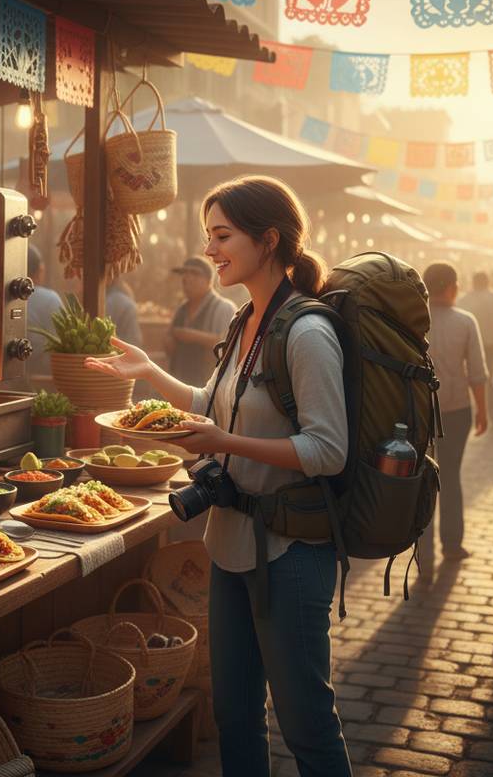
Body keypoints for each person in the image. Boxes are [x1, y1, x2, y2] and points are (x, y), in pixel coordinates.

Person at [86, 176, 352, 776]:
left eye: (222, 235)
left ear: (270, 239)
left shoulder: (307, 332)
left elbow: (328, 449)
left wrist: (225, 442)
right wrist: (149, 369)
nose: (210, 250)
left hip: (290, 552)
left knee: (307, 725)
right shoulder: (244, 320)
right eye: (210, 235)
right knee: (234, 715)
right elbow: (208, 404)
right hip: (229, 546)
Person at [416, 263, 488, 571]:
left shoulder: (414, 321)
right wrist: (483, 410)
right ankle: (452, 544)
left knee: (422, 480)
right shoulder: (466, 322)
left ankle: (424, 551)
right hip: (457, 411)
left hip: (420, 412)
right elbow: (477, 373)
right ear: (451, 288)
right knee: (451, 477)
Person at [166, 256, 238, 389]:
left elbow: (229, 346)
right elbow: (168, 344)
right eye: (184, 273)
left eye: (194, 273)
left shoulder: (223, 307)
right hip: (180, 386)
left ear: (208, 280)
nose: (186, 278)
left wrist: (191, 336)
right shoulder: (181, 309)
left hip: (210, 390)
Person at [457, 271, 493, 436]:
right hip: (492, 347)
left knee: (471, 382)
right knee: (491, 383)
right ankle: (492, 419)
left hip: (467, 348)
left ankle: (475, 415)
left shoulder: (464, 299)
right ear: (487, 282)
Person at [25, 244, 63, 378]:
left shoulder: (2, 298)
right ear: (40, 270)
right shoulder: (49, 299)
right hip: (42, 380)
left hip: (4, 383)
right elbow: (62, 345)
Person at [105, 279, 142, 348]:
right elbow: (135, 339)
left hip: (110, 350)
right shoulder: (128, 302)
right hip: (125, 349)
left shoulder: (106, 301)